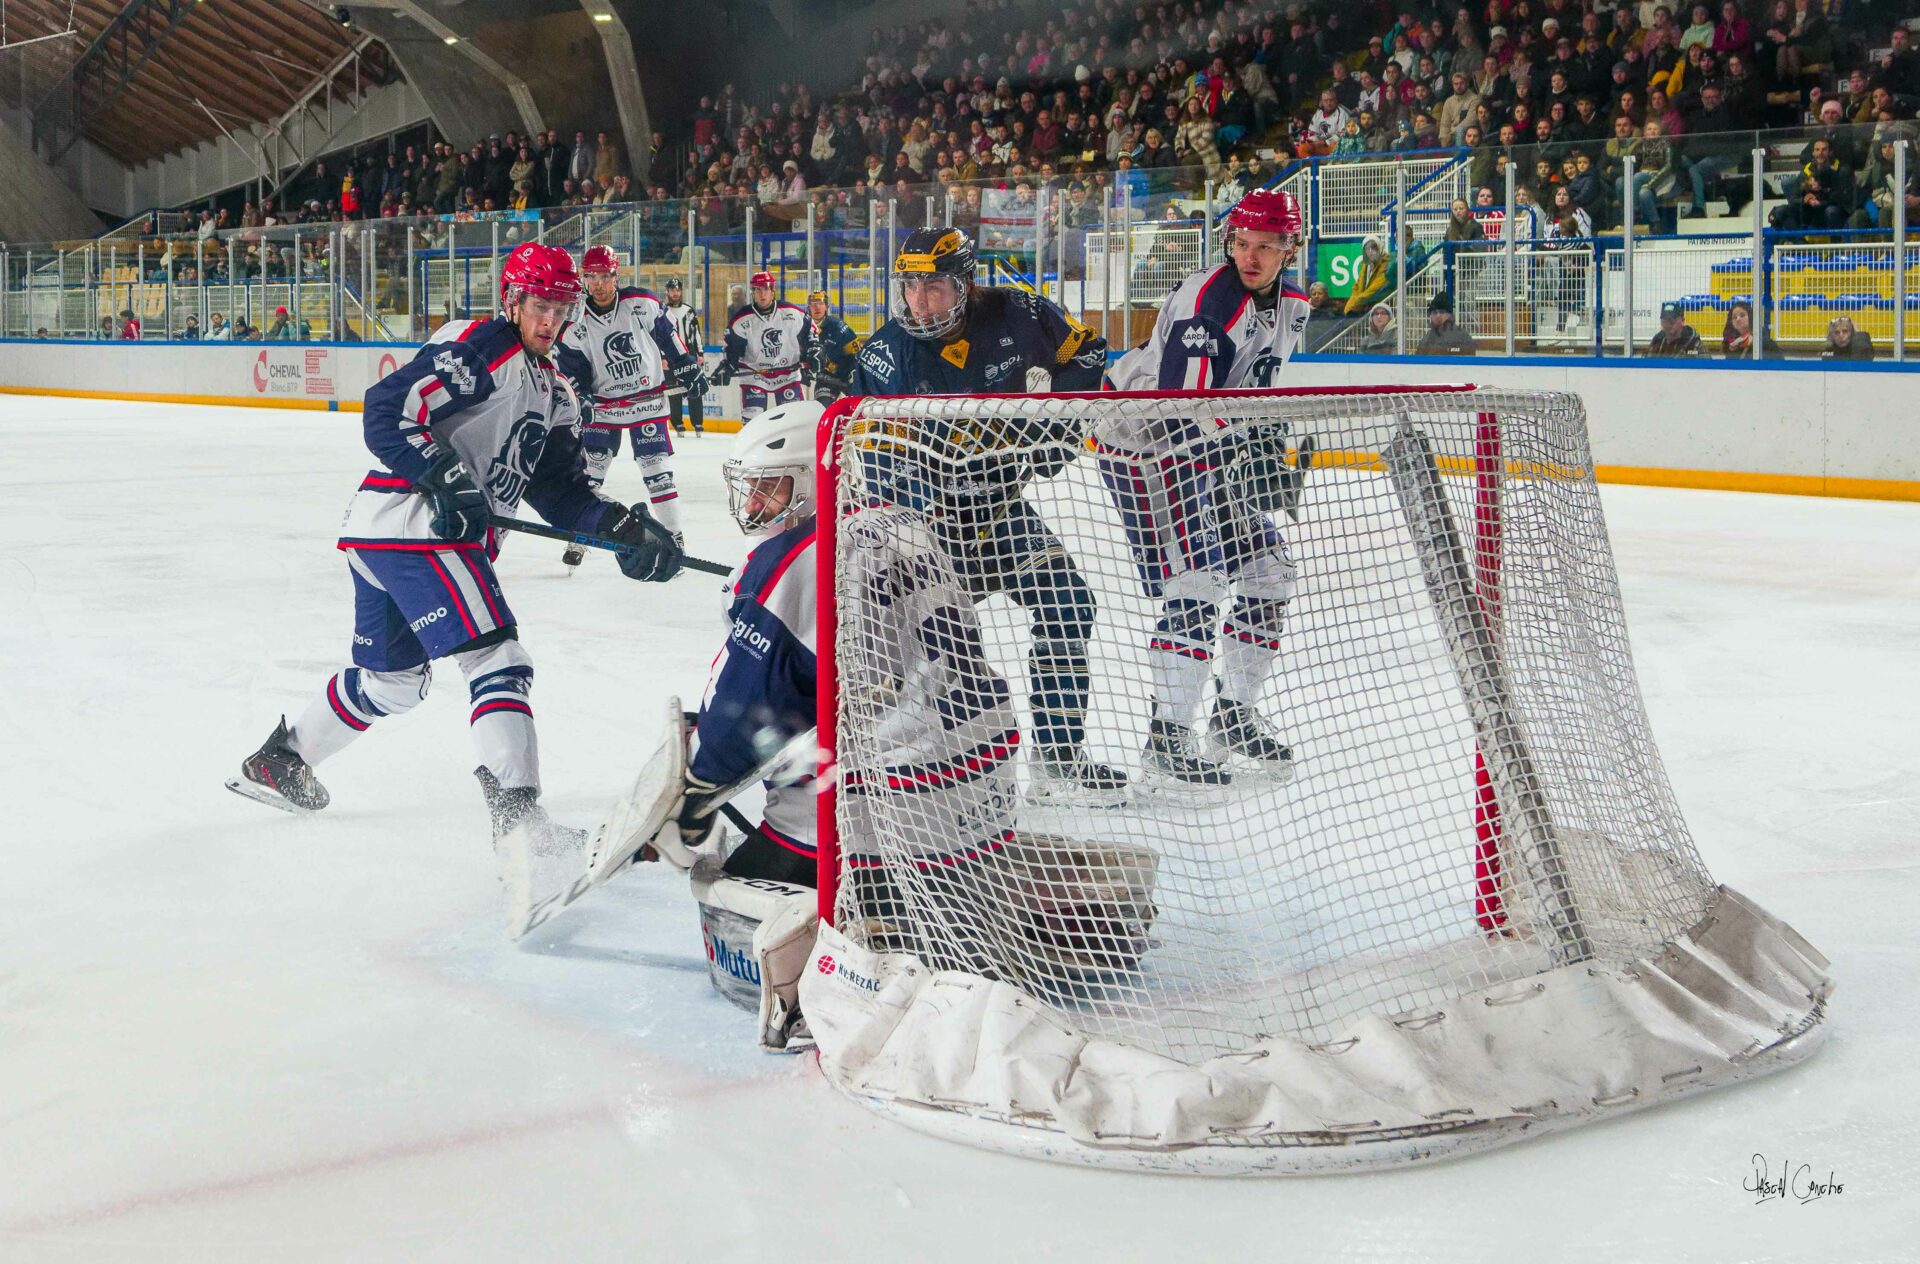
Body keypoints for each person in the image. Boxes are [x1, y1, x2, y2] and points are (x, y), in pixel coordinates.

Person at [226, 242, 683, 852]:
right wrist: (442, 476)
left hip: (382, 534)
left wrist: (622, 529)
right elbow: (388, 408)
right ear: (513, 301)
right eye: (540, 305)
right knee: (498, 659)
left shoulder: (556, 391)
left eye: (561, 307)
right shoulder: (485, 347)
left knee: (393, 682)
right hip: (418, 527)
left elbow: (559, 493)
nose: (551, 320)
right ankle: (520, 823)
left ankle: (281, 762)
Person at [849, 226, 1123, 798]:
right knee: (922, 655)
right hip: (924, 534)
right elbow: (869, 462)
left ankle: (1058, 756)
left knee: (1070, 603)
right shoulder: (883, 357)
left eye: (934, 287)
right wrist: (909, 529)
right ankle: (893, 770)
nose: (919, 302)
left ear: (965, 285)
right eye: (910, 287)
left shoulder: (1019, 312)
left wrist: (1056, 425)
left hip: (1000, 515)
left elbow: (1090, 354)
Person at [1100, 189, 1314, 785]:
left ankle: (1232, 716)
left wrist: (1262, 442)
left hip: (1206, 449)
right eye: (1243, 244)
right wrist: (1241, 449)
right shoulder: (1208, 303)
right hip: (1145, 447)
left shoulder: (1293, 305)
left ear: (1288, 249)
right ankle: (1165, 738)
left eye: (1266, 247)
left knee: (1270, 569)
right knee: (1196, 578)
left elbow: (1251, 390)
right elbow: (1180, 406)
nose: (1251, 257)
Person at [554, 245, 706, 567]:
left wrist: (687, 365)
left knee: (658, 472)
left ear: (615, 275)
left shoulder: (642, 303)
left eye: (604, 276)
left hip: (646, 402)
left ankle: (675, 537)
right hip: (604, 407)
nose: (597, 284)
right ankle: (579, 537)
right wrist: (580, 397)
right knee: (591, 473)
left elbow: (669, 337)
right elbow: (572, 369)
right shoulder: (574, 323)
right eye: (590, 277)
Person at [715, 271, 817, 420]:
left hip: (787, 374)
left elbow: (811, 332)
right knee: (752, 418)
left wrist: (812, 355)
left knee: (791, 420)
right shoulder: (741, 318)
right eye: (757, 289)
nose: (762, 294)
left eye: (765, 288)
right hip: (755, 375)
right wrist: (728, 365)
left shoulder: (792, 312)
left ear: (772, 290)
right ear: (753, 292)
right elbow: (732, 348)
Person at [660, 278, 706, 437]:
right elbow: (659, 336)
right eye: (672, 290)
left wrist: (700, 354)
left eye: (678, 290)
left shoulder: (689, 311)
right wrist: (662, 357)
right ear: (667, 291)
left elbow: (697, 334)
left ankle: (698, 423)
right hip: (670, 358)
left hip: (689, 356)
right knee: (674, 391)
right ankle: (677, 423)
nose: (675, 293)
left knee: (694, 388)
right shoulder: (662, 310)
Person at [806, 290, 859, 399]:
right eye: (813, 304)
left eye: (821, 304)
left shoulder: (838, 326)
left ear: (827, 306)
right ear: (808, 307)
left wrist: (854, 374)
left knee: (861, 406)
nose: (817, 307)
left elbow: (857, 352)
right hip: (825, 379)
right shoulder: (803, 328)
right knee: (822, 407)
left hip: (847, 375)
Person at [1415, 290, 1477, 355]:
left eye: (1442, 312)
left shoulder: (1462, 337)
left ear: (1449, 314)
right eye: (1435, 313)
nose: (1438, 316)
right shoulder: (1427, 339)